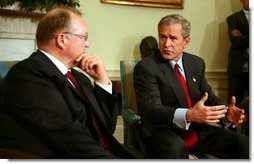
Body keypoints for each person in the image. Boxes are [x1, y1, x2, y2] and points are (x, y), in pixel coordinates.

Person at [0, 6, 134, 159]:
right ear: (62, 39)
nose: (87, 44)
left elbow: (105, 129)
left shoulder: (80, 77)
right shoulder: (28, 74)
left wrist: (102, 80)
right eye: (84, 37)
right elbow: (67, 135)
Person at [133, 14, 249, 159]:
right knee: (176, 147)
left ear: (186, 41)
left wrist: (226, 113)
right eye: (163, 37)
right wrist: (188, 115)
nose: (166, 44)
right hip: (162, 131)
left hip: (195, 128)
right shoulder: (146, 67)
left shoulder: (196, 63)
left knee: (242, 143)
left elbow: (209, 97)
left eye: (173, 38)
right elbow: (151, 110)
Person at [226, 0, 249, 109]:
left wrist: (243, 36)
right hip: (238, 68)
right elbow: (235, 41)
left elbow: (241, 39)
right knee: (234, 104)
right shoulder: (233, 18)